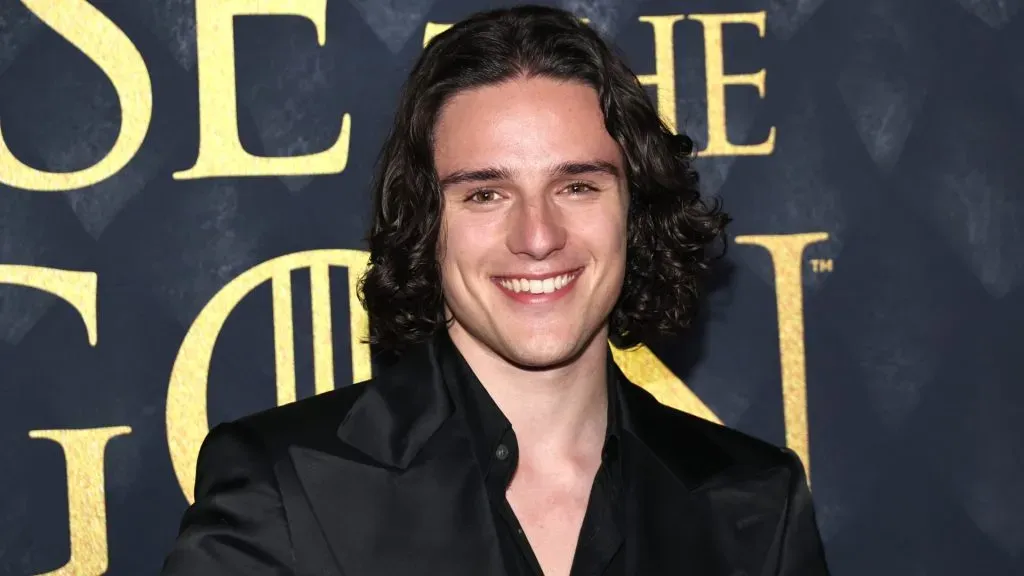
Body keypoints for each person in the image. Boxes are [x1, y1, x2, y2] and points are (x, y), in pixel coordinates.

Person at [161, 4, 830, 575]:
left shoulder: (754, 504)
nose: (538, 236)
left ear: (635, 212)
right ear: (427, 225)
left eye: (577, 186)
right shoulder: (283, 487)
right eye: (485, 194)